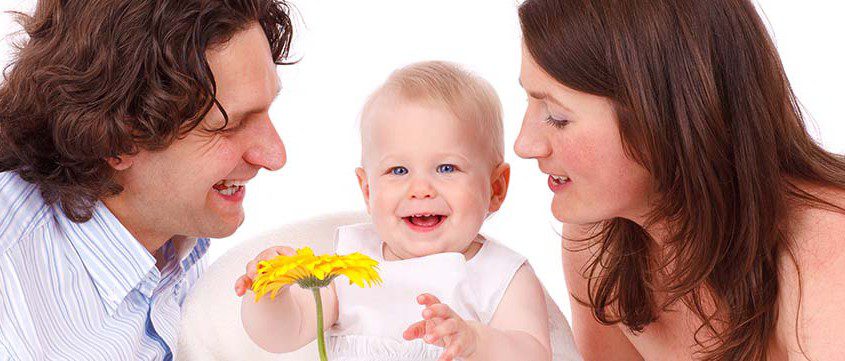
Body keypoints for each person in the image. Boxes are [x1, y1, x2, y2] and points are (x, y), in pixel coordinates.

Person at [513, 0, 845, 360]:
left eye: (557, 117)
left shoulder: (828, 252)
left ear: (662, 116)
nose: (524, 145)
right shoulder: (599, 238)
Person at [0, 0, 293, 359]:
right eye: (228, 126)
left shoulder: (170, 230)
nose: (275, 155)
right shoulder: (12, 295)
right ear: (117, 141)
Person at [236, 61, 553, 361]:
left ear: (495, 188)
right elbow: (284, 332)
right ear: (368, 191)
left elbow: (534, 353)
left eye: (446, 167)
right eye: (398, 170)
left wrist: (477, 341)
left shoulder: (500, 274)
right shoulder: (351, 262)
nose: (421, 188)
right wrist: (270, 290)